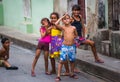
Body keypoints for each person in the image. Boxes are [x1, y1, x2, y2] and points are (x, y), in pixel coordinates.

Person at [55, 14, 78, 81]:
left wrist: (74, 38)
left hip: (72, 47)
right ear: (63, 21)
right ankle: (58, 76)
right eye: (64, 19)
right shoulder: (63, 27)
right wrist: (62, 17)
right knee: (61, 61)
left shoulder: (73, 28)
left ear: (71, 20)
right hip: (64, 46)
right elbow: (56, 24)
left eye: (68, 18)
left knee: (72, 61)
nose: (66, 20)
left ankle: (72, 73)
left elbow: (76, 35)